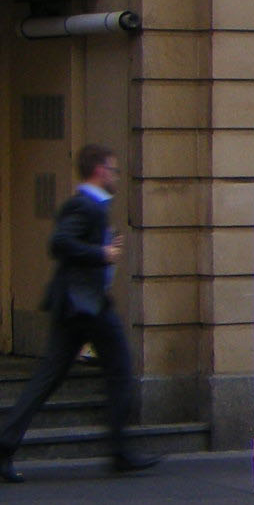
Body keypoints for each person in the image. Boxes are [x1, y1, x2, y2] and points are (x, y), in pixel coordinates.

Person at [0, 144, 153, 481]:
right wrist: (101, 252)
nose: (115, 176)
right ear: (99, 170)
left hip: (80, 305)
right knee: (120, 368)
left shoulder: (92, 206)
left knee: (49, 377)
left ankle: (5, 446)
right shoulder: (84, 204)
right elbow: (59, 242)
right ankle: (118, 451)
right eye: (112, 170)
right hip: (86, 305)